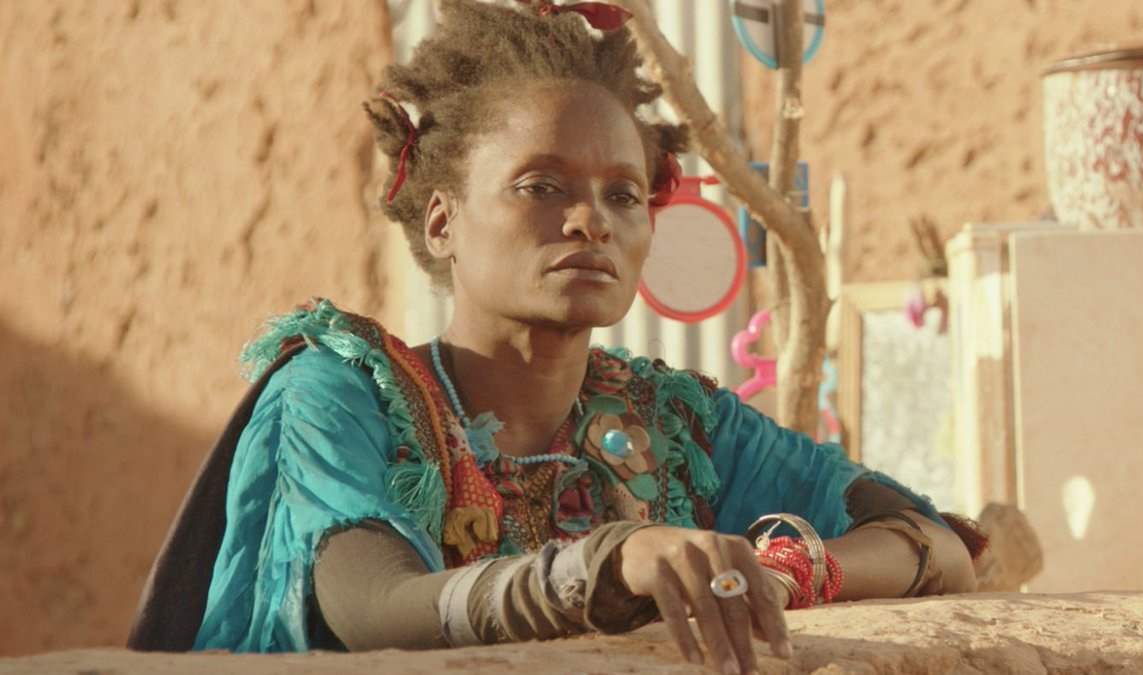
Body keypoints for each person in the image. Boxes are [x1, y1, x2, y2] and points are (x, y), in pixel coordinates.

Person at [128, 2, 983, 673]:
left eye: (623, 195)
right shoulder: (342, 389)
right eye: (542, 185)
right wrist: (601, 567)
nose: (591, 221)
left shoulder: (672, 419)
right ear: (441, 222)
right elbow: (376, 605)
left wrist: (788, 569)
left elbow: (937, 545)